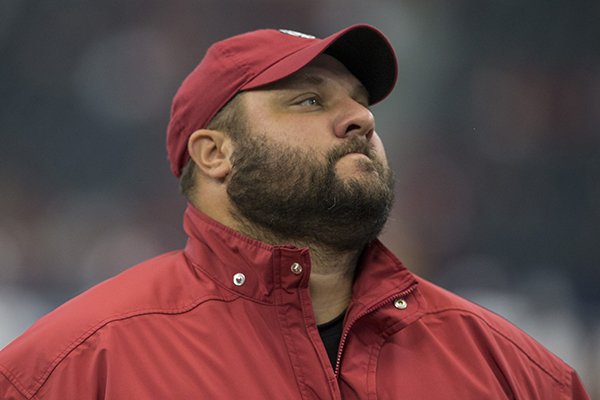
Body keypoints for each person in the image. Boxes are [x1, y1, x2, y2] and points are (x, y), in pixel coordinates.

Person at [0, 24, 590, 400]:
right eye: (309, 100)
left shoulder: (521, 374)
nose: (362, 119)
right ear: (215, 153)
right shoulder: (68, 369)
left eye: (360, 102)